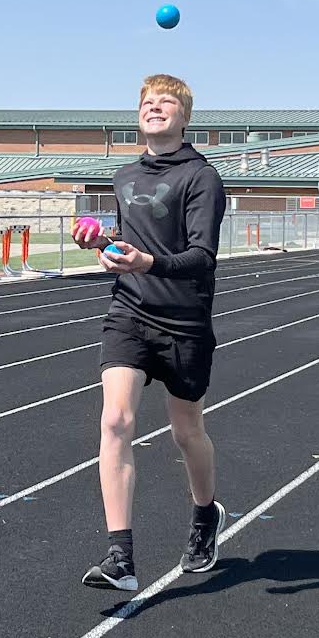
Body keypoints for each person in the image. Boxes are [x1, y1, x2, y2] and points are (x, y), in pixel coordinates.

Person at [72, 74, 227, 591]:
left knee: (187, 433)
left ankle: (205, 514)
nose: (154, 108)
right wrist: (99, 241)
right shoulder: (123, 176)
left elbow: (202, 258)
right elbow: (126, 241)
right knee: (115, 421)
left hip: (184, 321)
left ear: (184, 117)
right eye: (147, 102)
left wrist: (148, 261)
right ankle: (121, 556)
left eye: (166, 103)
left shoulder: (202, 179)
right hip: (130, 312)